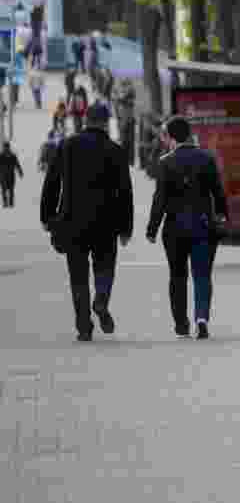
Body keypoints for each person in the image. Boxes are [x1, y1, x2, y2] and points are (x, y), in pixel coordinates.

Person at [40, 103, 133, 342]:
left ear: (85, 120)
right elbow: (125, 192)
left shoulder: (68, 145)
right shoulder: (115, 150)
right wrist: (126, 227)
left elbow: (52, 182)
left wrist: (47, 216)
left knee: (78, 275)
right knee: (104, 267)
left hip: (73, 221)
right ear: (105, 122)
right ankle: (101, 299)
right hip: (107, 223)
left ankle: (83, 325)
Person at [145, 115, 229, 340]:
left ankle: (181, 324)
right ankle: (202, 318)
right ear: (189, 134)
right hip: (202, 225)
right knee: (202, 274)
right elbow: (218, 192)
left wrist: (152, 229)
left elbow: (159, 200)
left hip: (174, 228)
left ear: (171, 138)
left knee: (177, 275)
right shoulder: (206, 158)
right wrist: (221, 216)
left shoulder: (165, 162)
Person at [115, 79, 137, 166]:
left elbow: (125, 99)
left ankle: (130, 160)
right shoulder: (121, 96)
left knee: (128, 141)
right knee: (125, 141)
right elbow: (119, 101)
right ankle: (127, 159)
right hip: (124, 119)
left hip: (128, 120)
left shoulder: (130, 95)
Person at [0, 141, 25, 208]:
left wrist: (20, 172)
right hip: (5, 175)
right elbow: (17, 164)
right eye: (5, 147)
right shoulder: (2, 156)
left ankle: (8, 203)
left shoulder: (11, 155)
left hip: (8, 175)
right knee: (6, 190)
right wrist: (20, 172)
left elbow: (17, 164)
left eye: (6, 147)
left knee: (8, 190)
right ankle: (7, 203)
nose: (6, 149)